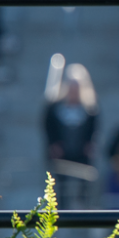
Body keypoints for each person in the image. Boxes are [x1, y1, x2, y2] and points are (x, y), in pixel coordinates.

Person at [44, 64, 101, 206]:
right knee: (60, 184)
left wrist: (89, 144)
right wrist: (53, 144)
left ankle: (83, 206)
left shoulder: (90, 110)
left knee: (83, 182)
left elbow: (94, 130)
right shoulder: (54, 109)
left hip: (81, 153)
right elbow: (48, 127)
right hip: (62, 152)